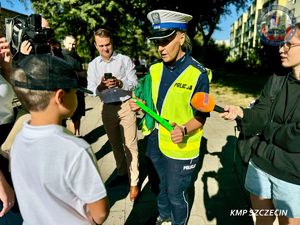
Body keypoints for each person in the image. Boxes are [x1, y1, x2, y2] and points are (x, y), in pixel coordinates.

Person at [129, 10, 210, 225]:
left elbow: (201, 117)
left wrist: (183, 129)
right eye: (157, 42)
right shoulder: (154, 70)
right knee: (159, 186)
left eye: (165, 41)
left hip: (182, 146)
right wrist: (140, 107)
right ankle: (163, 214)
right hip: (157, 141)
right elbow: (153, 104)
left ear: (181, 37)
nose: (160, 48)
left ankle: (178, 222)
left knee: (176, 194)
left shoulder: (198, 74)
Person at [10, 54, 109, 225]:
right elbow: (100, 213)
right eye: (76, 92)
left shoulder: (18, 140)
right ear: (60, 97)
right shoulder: (75, 149)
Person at [220, 23, 300, 225]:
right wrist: (242, 114)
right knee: (262, 222)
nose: (281, 49)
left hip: (292, 177)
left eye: (289, 45)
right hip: (259, 166)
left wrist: (268, 128)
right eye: (281, 44)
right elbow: (261, 113)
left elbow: (296, 138)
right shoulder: (277, 79)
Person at [87, 28, 139, 201]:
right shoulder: (93, 65)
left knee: (130, 146)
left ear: (112, 42)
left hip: (125, 106)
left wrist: (119, 82)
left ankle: (134, 183)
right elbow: (91, 89)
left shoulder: (124, 60)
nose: (105, 48)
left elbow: (134, 83)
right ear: (95, 45)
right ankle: (122, 172)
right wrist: (100, 87)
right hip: (107, 108)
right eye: (101, 45)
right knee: (115, 145)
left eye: (107, 44)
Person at [62, 35, 87, 136]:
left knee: (78, 114)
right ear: (64, 43)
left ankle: (77, 134)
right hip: (66, 90)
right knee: (65, 115)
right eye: (69, 43)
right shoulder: (60, 56)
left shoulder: (77, 57)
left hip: (79, 90)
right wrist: (78, 74)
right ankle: (69, 137)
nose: (71, 46)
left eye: (73, 44)